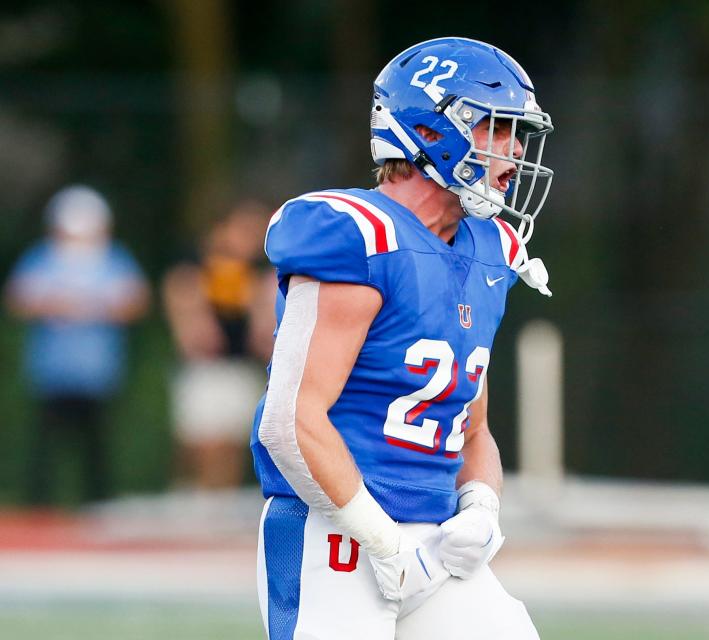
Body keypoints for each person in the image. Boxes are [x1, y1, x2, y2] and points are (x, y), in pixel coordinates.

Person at [250, 37, 554, 639]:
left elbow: (474, 426)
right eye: (497, 127)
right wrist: (382, 541)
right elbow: (290, 420)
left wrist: (481, 509)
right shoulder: (358, 236)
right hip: (334, 532)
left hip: (435, 538)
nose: (516, 151)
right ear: (435, 131)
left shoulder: (491, 251)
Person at [4, 185, 149, 505]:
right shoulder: (42, 257)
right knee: (44, 444)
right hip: (52, 369)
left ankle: (98, 502)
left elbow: (136, 301)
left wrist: (93, 307)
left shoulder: (113, 258)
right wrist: (58, 305)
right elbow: (18, 299)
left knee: (96, 444)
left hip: (98, 370)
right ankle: (38, 505)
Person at [163, 200, 276, 490]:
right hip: (205, 365)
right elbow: (180, 298)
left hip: (239, 362)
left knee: (232, 438)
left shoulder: (257, 270)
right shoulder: (196, 265)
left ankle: (219, 497)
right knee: (201, 438)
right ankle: (192, 491)